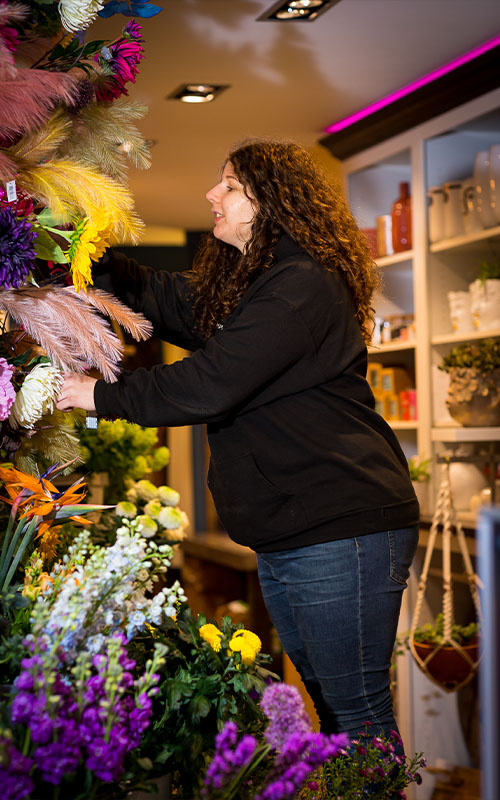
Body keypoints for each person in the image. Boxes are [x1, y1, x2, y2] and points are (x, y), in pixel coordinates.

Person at [56, 139, 419, 744]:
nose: (210, 196)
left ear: (269, 203)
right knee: (334, 713)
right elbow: (176, 302)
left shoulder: (301, 283)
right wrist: (90, 258)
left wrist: (97, 394)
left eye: (227, 185)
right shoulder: (264, 285)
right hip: (298, 531)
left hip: (342, 525)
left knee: (356, 715)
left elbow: (210, 383)